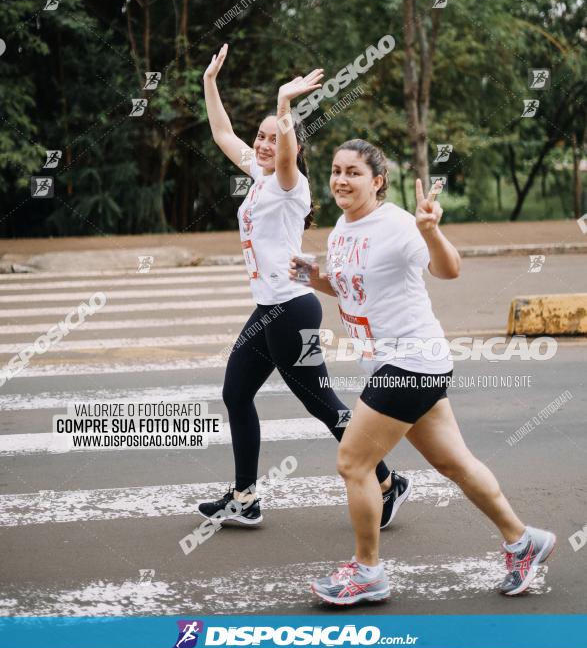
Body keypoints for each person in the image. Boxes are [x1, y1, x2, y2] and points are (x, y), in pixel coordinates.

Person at [297, 139, 555, 604]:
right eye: (336, 171)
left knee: (354, 462)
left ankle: (367, 571)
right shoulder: (340, 229)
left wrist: (432, 231)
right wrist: (311, 276)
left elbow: (449, 269)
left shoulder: (398, 225)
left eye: (353, 172)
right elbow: (348, 288)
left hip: (409, 362)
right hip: (402, 362)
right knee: (454, 462)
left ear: (377, 182)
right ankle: (523, 540)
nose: (341, 180)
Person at [198, 47, 411, 528]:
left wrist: (283, 108)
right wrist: (210, 81)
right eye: (262, 137)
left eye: (274, 139)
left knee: (323, 405)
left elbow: (287, 150)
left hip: (293, 311)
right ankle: (245, 497)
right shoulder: (258, 176)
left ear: (290, 148)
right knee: (236, 392)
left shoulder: (291, 186)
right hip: (269, 309)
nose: (266, 144)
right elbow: (222, 133)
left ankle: (386, 481)